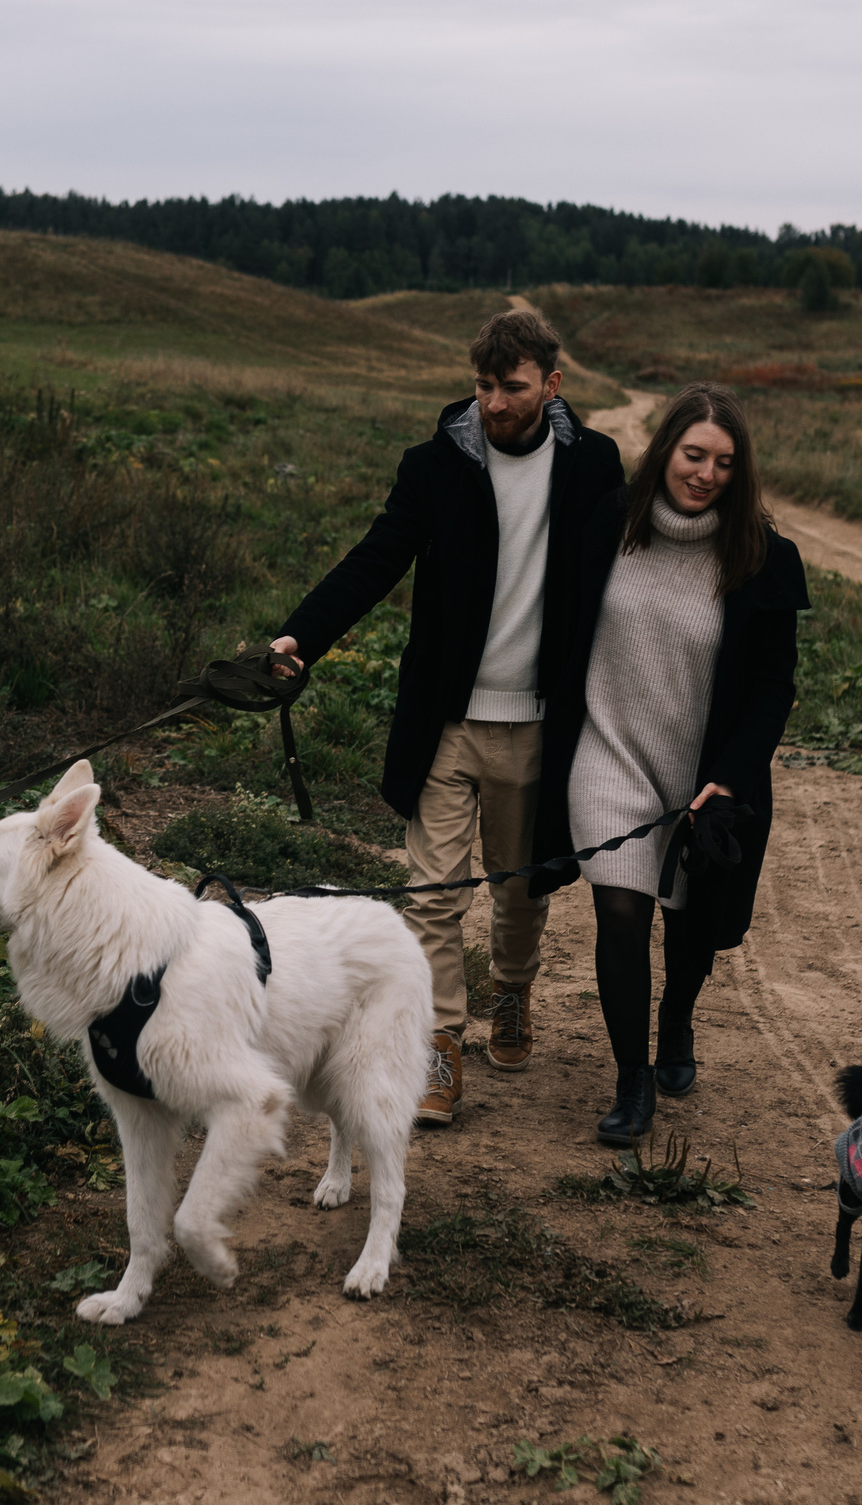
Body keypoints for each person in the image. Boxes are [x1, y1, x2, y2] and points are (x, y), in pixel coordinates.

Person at [270, 310, 624, 1126]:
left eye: (513, 387)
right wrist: (304, 635)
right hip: (449, 719)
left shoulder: (595, 465)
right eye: (484, 386)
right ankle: (439, 1045)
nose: (495, 403)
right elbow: (375, 558)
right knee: (432, 894)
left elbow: (627, 571)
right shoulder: (434, 467)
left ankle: (512, 991)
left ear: (553, 385)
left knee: (520, 886)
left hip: (539, 722)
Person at [527, 382, 809, 1146]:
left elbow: (773, 685)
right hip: (609, 754)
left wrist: (731, 777)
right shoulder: (610, 525)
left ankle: (676, 1019)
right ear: (666, 452)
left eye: (723, 461)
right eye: (693, 454)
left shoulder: (762, 557)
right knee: (621, 909)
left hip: (705, 777)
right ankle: (632, 1078)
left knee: (691, 925)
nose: (705, 473)